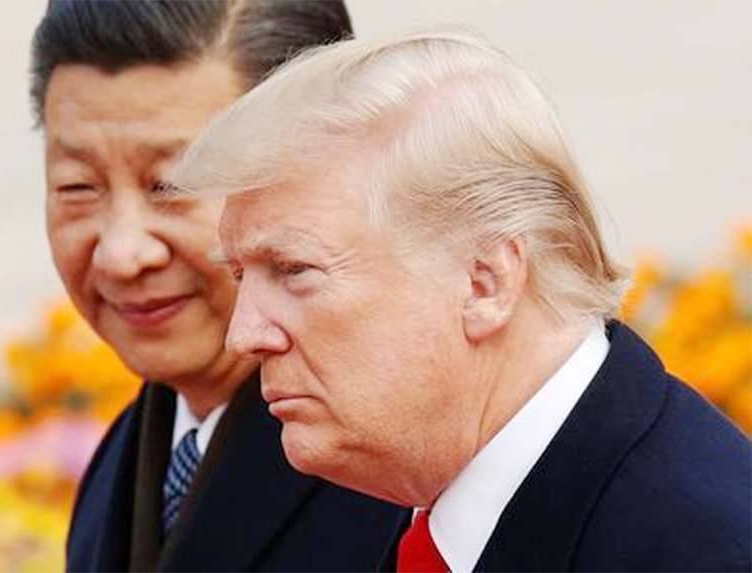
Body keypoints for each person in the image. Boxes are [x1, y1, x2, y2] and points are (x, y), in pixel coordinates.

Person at [171, 27, 752, 572]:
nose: (243, 335)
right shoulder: (429, 491)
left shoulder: (703, 547)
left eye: (293, 270)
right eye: (241, 276)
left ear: (485, 282)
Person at [29, 2, 410, 571]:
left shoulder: (403, 472)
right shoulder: (121, 463)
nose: (121, 254)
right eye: (78, 186)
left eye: (170, 184)